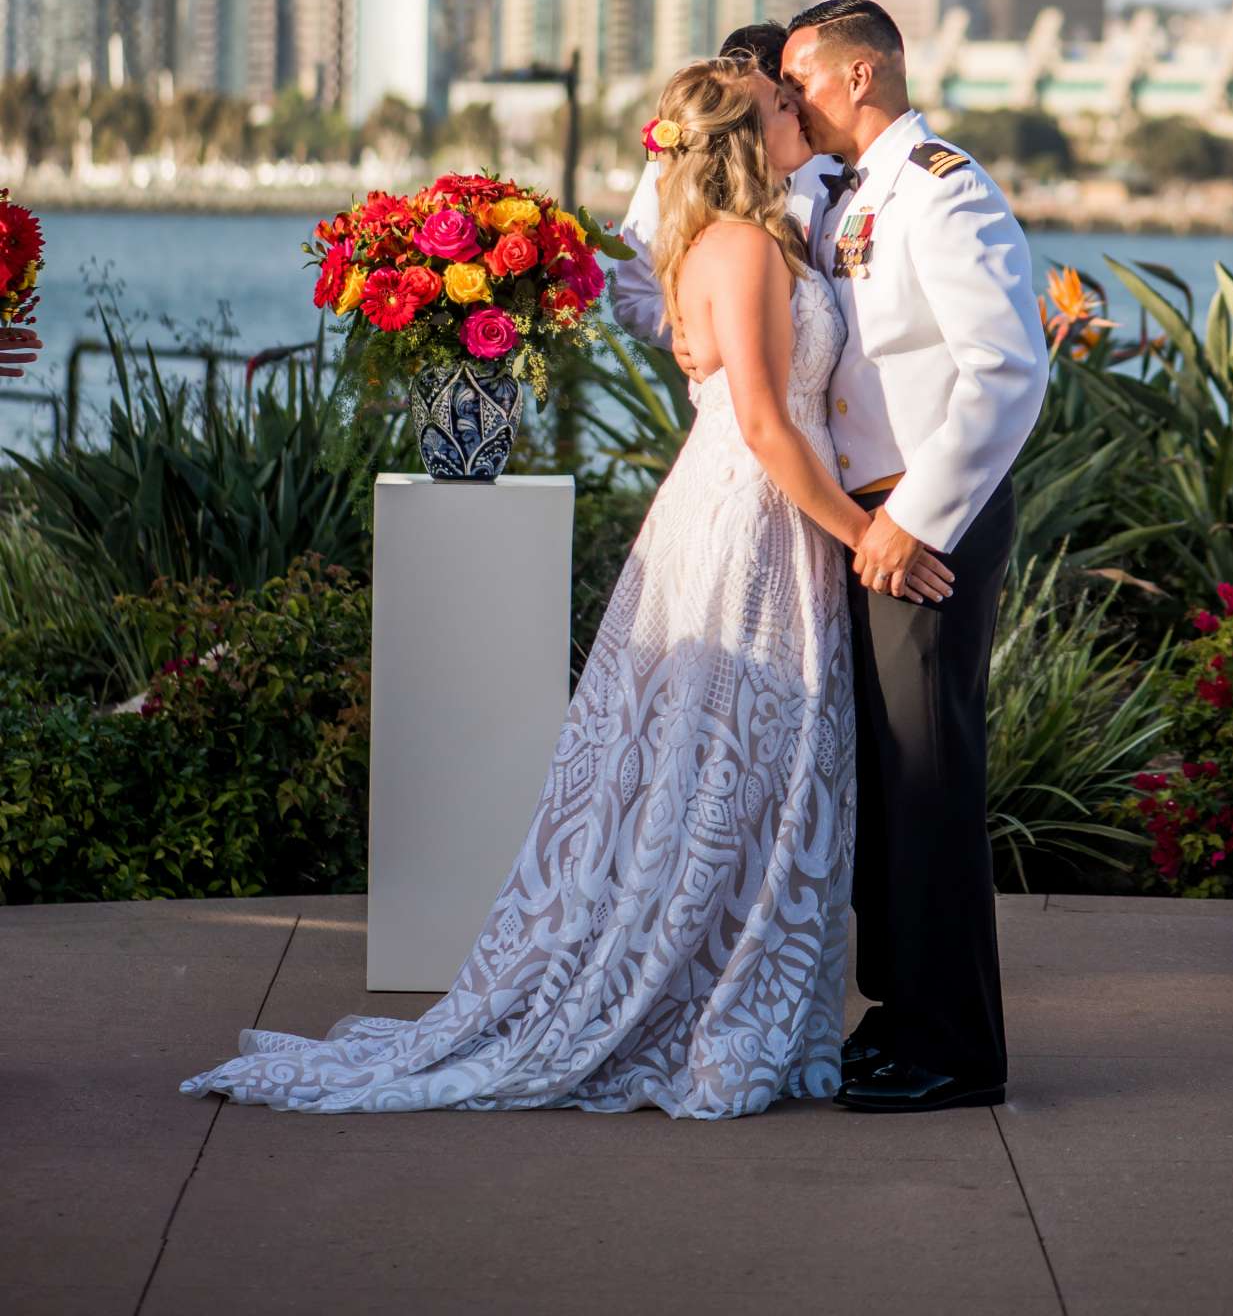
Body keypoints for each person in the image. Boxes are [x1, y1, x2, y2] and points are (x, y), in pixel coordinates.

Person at [179, 55, 952, 1120]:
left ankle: (727, 984)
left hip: (753, 516)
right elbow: (770, 425)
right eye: (782, 105)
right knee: (740, 763)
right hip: (759, 524)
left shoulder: (728, 245)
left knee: (740, 767)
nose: (799, 112)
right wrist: (874, 535)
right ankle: (710, 1003)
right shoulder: (743, 251)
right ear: (743, 139)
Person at [781, 0, 1050, 1115]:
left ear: (859, 76)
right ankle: (899, 1015)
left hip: (926, 522)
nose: (789, 100)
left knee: (931, 775)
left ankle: (957, 1049)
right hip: (873, 517)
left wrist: (915, 519)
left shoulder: (942, 186)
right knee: (894, 782)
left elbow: (1008, 365)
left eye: (799, 79)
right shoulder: (848, 194)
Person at [609, 21, 839, 343]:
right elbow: (634, 295)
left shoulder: (837, 160)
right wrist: (694, 338)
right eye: (782, 103)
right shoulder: (676, 174)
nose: (799, 111)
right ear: (745, 130)